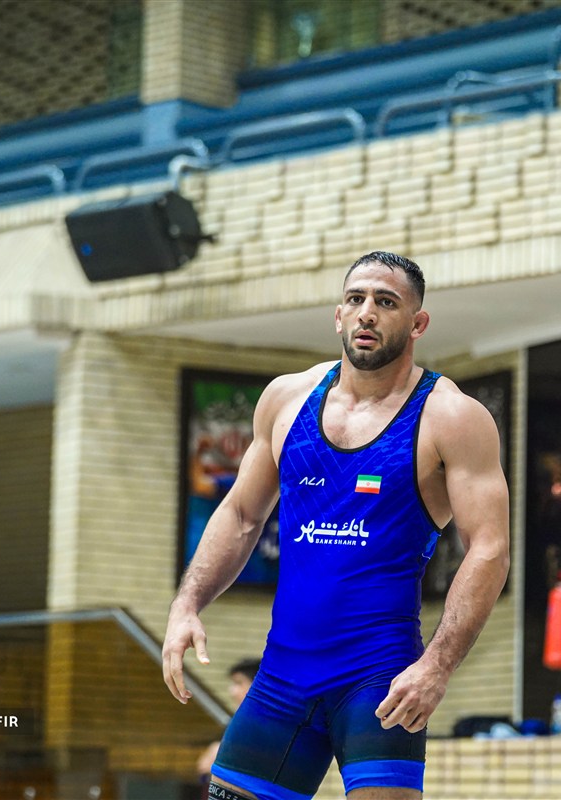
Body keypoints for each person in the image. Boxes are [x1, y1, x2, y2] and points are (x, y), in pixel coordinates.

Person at [162, 252, 511, 800]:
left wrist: (438, 666)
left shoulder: (451, 417)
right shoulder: (286, 399)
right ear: (338, 315)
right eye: (356, 299)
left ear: (417, 323)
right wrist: (187, 604)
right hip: (282, 675)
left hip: (379, 679)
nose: (367, 312)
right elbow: (241, 514)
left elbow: (489, 547)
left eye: (386, 302)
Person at [197, 659, 262, 794]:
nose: (232, 691)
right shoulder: (236, 724)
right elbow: (204, 769)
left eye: (239, 683)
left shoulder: (270, 728)